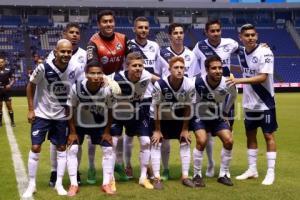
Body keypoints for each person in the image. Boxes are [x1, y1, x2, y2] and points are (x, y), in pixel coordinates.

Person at [22, 39, 81, 198]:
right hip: (41, 115)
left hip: (61, 116)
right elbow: (30, 85)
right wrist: (30, 109)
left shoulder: (75, 68)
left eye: (69, 51)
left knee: (61, 148)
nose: (66, 54)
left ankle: (59, 183)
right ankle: (32, 184)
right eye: (63, 51)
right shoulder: (43, 67)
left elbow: (80, 85)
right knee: (35, 148)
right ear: (55, 52)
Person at [226, 24, 277, 185]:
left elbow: (262, 77)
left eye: (253, 35)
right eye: (246, 35)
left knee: (268, 135)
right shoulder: (240, 51)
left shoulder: (265, 52)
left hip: (266, 102)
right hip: (249, 103)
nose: (250, 38)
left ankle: (270, 172)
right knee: (250, 135)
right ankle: (252, 169)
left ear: (257, 35)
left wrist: (238, 80)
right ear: (240, 37)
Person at [192, 19, 239, 177]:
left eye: (218, 30)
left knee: (227, 135)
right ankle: (211, 164)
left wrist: (261, 47)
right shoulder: (199, 46)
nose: (215, 33)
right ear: (206, 32)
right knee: (206, 137)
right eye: (212, 31)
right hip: (205, 92)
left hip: (224, 91)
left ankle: (224, 171)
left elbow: (244, 52)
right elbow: (192, 69)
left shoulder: (230, 43)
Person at [87, 10, 130, 180]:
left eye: (111, 21)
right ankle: (91, 167)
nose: (108, 24)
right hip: (98, 89)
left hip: (118, 90)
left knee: (116, 132)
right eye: (104, 21)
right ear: (99, 24)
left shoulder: (123, 38)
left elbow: (134, 58)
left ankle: (117, 164)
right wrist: (108, 80)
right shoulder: (93, 42)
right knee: (93, 134)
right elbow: (92, 65)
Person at [46, 22, 89, 187]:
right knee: (55, 142)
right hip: (56, 105)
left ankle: (75, 171)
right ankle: (54, 171)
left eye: (77, 32)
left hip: (77, 105)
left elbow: (86, 78)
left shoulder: (85, 55)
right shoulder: (53, 54)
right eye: (71, 32)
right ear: (65, 34)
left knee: (76, 140)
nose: (74, 35)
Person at [111, 52, 160, 188]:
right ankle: (110, 178)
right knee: (113, 143)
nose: (138, 68)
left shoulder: (145, 75)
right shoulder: (117, 77)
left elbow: (161, 81)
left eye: (140, 65)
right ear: (127, 66)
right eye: (135, 66)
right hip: (118, 114)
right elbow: (100, 80)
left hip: (136, 113)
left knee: (145, 142)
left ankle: (143, 178)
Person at [156, 23, 198, 181]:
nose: (179, 35)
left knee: (185, 138)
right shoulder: (161, 53)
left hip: (183, 100)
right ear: (170, 35)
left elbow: (192, 77)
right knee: (165, 140)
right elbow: (158, 75)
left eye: (181, 32)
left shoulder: (191, 54)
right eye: (176, 33)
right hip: (166, 101)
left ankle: (185, 173)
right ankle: (165, 169)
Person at [66, 64, 116, 195]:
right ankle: (73, 184)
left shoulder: (107, 90)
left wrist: (107, 132)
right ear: (86, 75)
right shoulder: (76, 87)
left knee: (108, 149)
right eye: (92, 73)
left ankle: (106, 183)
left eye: (99, 73)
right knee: (73, 149)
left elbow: (111, 110)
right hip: (79, 125)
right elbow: (69, 109)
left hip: (98, 126)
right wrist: (72, 132)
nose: (96, 76)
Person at [191, 55, 237, 187]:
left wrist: (225, 112)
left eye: (220, 68)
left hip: (217, 117)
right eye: (214, 68)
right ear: (207, 70)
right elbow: (190, 99)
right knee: (202, 140)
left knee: (229, 140)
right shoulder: (197, 82)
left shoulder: (227, 82)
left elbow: (233, 96)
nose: (218, 71)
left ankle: (224, 174)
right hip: (199, 117)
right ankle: (197, 175)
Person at [124, 16, 160, 178]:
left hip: (149, 98)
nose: (143, 30)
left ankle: (149, 168)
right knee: (129, 135)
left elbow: (157, 68)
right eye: (140, 27)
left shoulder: (155, 46)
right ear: (134, 29)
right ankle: (128, 165)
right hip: (131, 97)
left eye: (146, 27)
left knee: (147, 135)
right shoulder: (129, 45)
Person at [150, 56, 195, 188]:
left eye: (182, 67)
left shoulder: (189, 84)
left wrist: (185, 129)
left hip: (180, 117)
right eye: (176, 67)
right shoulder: (160, 84)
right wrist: (157, 130)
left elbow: (188, 107)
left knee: (185, 141)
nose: (179, 70)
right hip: (162, 117)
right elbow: (157, 107)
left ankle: (185, 176)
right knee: (157, 143)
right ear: (169, 70)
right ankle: (158, 177)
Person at [0, 55, 15, 127]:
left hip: (6, 91)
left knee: (9, 106)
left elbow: (13, 79)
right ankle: (0, 122)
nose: (0, 63)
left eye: (2, 62)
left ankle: (12, 121)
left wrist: (10, 85)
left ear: (4, 63)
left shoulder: (8, 70)